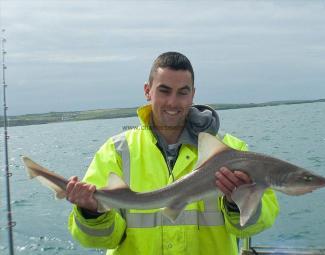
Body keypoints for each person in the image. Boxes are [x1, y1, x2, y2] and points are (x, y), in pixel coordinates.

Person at [66, 52, 279, 255]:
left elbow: (254, 226)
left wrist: (237, 201)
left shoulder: (233, 151)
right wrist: (91, 213)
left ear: (193, 94)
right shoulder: (117, 152)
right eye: (164, 90)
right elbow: (99, 239)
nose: (172, 103)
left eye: (182, 92)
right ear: (147, 90)